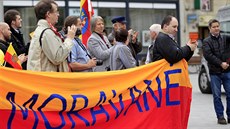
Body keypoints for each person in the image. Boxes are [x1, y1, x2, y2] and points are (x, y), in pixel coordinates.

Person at [27, 0, 77, 72]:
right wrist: (69, 39)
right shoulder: (46, 32)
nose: (58, 14)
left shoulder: (42, 30)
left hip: (43, 79)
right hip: (48, 80)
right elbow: (58, 57)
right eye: (56, 11)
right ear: (48, 14)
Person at [202, 19, 230, 125]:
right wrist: (220, 63)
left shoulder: (225, 38)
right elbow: (208, 56)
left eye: (218, 26)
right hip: (215, 73)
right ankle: (220, 117)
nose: (216, 28)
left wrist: (227, 62)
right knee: (217, 96)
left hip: (227, 71)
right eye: (214, 27)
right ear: (210, 29)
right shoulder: (206, 41)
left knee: (229, 94)